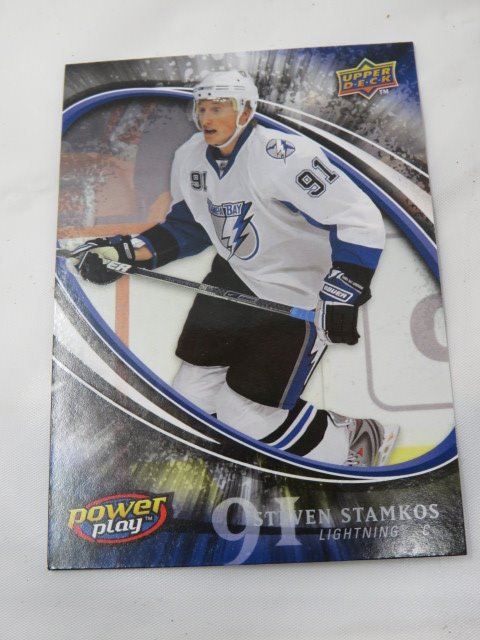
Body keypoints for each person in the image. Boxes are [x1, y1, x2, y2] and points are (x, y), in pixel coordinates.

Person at [75, 70, 398, 467]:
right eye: (202, 109)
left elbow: (357, 219)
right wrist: (126, 252)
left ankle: (356, 439)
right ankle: (233, 469)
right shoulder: (190, 156)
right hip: (235, 279)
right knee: (189, 399)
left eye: (219, 109)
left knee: (245, 416)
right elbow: (189, 226)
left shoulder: (285, 157)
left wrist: (342, 293)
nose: (207, 118)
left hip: (300, 291)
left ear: (246, 112)